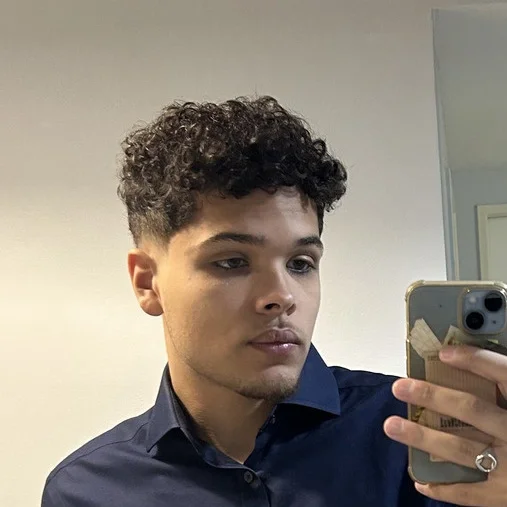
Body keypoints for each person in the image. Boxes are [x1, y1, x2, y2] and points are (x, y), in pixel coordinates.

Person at [41, 97, 507, 507]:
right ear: (148, 282)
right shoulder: (86, 491)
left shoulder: (423, 438)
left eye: (301, 263)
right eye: (231, 262)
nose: (281, 296)